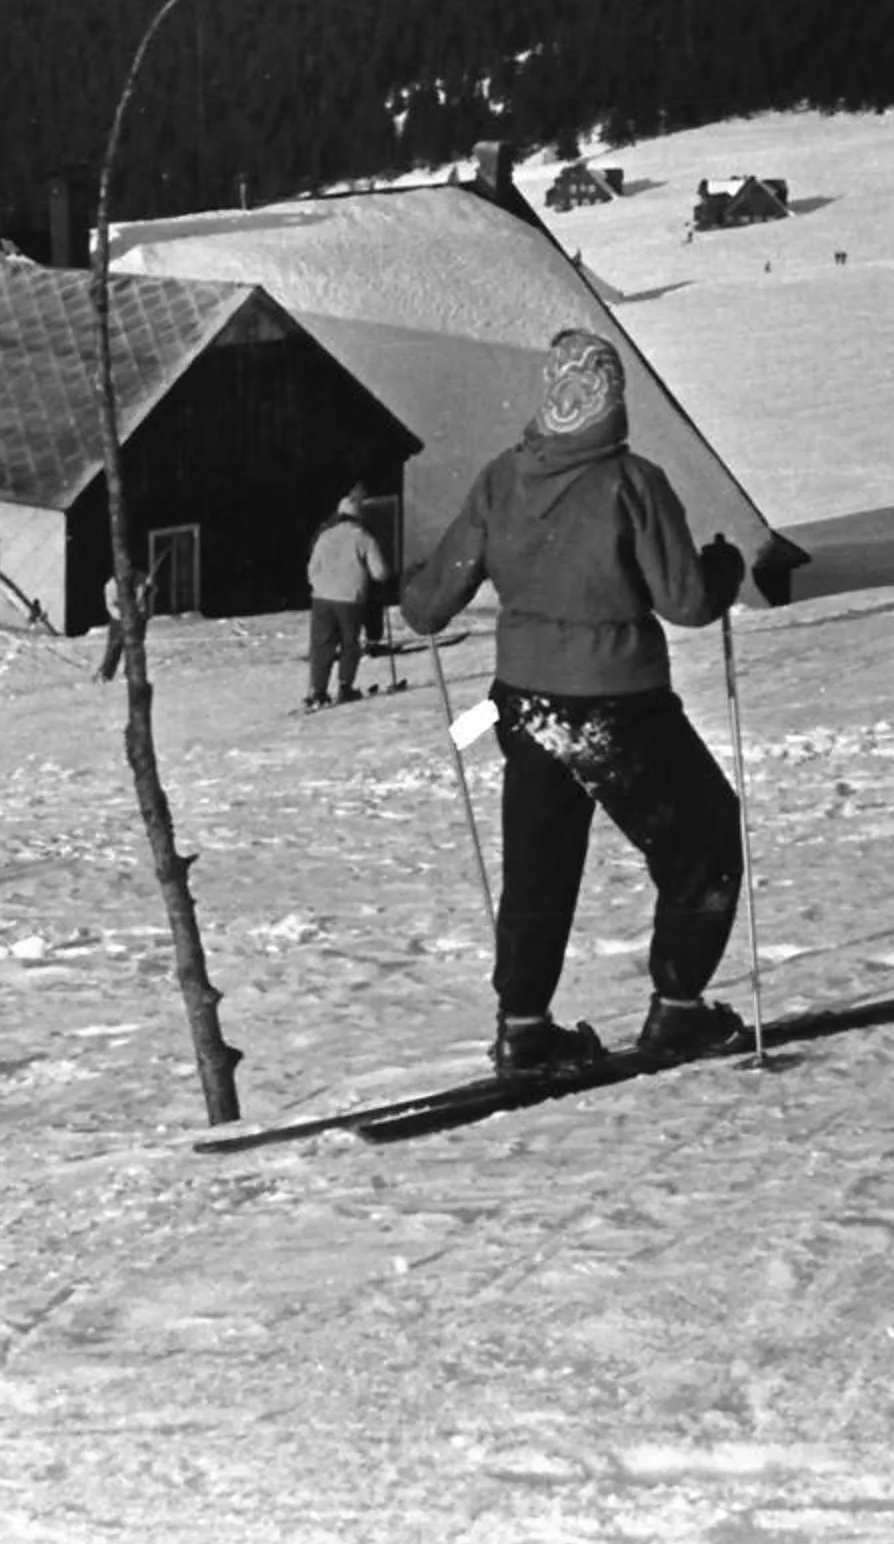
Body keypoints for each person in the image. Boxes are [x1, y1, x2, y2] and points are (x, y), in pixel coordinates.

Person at [400, 328, 752, 1074]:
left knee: (539, 866)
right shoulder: (633, 483)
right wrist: (721, 568)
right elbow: (686, 603)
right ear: (612, 403)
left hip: (524, 708)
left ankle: (524, 1029)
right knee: (705, 841)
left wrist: (416, 592)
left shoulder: (503, 478)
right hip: (617, 704)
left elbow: (430, 603)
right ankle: (680, 1013)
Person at [303, 484, 389, 710]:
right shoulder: (363, 538)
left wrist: (319, 586)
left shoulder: (325, 537)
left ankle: (318, 691)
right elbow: (379, 572)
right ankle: (345, 687)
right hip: (351, 599)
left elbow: (312, 568)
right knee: (350, 644)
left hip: (322, 598)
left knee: (322, 645)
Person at [96, 570, 129, 683]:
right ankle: (106, 673)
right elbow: (110, 605)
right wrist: (120, 615)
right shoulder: (111, 585)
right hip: (118, 620)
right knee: (114, 646)